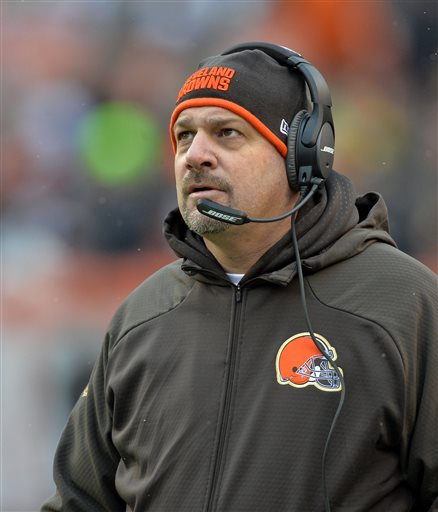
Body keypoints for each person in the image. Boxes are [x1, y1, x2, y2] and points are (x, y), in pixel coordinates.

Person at [41, 42, 437, 512]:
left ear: (303, 158)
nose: (195, 155)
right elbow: (79, 501)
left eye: (226, 132)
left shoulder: (404, 302)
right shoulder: (142, 316)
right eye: (184, 136)